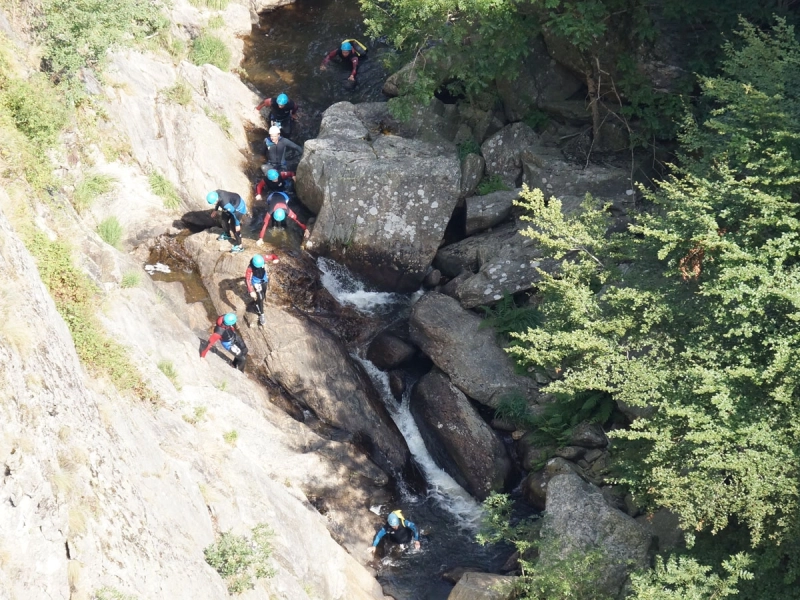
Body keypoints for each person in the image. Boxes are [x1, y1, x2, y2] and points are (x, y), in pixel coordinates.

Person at [245, 253, 279, 325]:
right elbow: (247, 279)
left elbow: (273, 256)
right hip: (256, 282)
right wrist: (250, 290)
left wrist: (276, 259)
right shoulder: (250, 267)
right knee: (260, 297)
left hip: (264, 279)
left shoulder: (262, 258)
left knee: (263, 295)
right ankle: (262, 314)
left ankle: (257, 303)